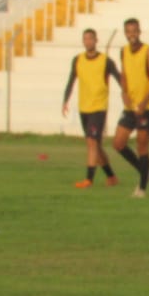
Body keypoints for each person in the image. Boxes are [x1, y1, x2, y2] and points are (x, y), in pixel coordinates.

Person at [61, 27, 121, 189]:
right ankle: (111, 177)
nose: (88, 41)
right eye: (85, 39)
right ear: (83, 41)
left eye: (91, 38)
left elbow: (119, 78)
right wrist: (65, 100)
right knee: (96, 145)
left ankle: (89, 179)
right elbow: (71, 80)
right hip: (84, 107)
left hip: (99, 107)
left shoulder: (105, 61)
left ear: (96, 41)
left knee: (91, 142)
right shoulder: (78, 60)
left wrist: (128, 95)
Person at [113, 17, 149, 198]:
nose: (131, 35)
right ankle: (145, 171)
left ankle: (141, 188)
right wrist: (123, 92)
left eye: (134, 31)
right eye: (128, 31)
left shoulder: (148, 51)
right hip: (131, 106)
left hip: (147, 107)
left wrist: (143, 103)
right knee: (118, 144)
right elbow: (124, 74)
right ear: (125, 33)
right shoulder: (123, 51)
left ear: (139, 32)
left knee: (142, 145)